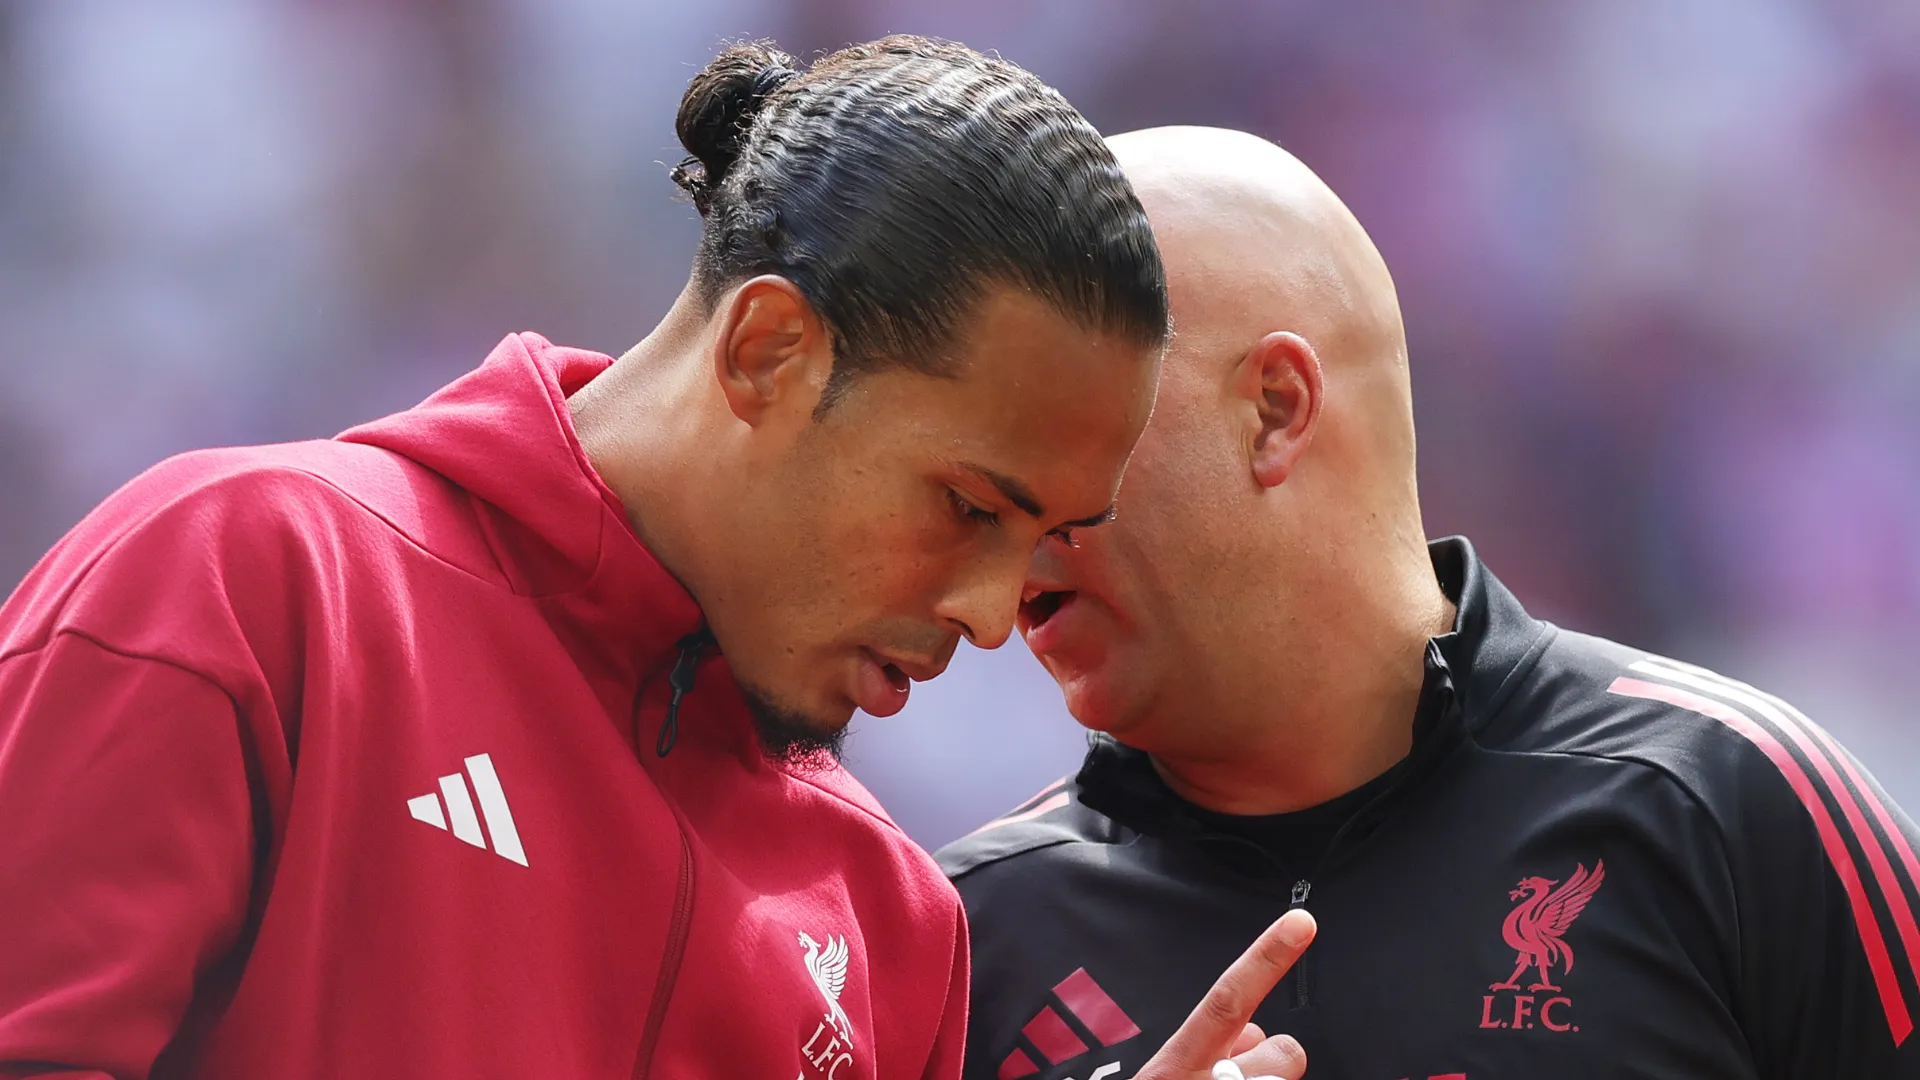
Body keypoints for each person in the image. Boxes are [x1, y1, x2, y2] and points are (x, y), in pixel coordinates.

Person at [0, 36, 1173, 1078]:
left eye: (1042, 544)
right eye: (970, 508)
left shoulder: (895, 922)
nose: (989, 617)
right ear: (768, 350)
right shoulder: (252, 578)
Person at [940, 126, 1920, 1080]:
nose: (1011, 521)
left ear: (1276, 408)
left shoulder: (1724, 803)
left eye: (1064, 430)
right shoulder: (963, 933)